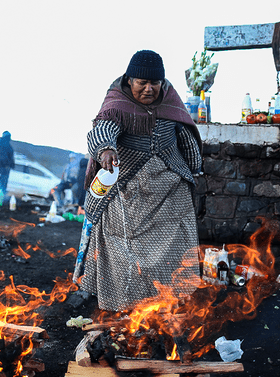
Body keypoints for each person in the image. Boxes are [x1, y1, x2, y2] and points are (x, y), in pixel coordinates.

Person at [74, 50, 203, 312]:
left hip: (168, 187)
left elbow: (187, 139)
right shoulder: (117, 104)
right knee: (121, 244)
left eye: (154, 83)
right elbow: (102, 129)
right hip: (128, 187)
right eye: (141, 82)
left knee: (175, 243)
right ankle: (124, 303)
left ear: (162, 83)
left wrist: (197, 172)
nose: (148, 89)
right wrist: (106, 150)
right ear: (129, 81)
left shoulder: (170, 103)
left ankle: (170, 299)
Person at [0, 131, 15, 196]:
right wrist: (8, 165)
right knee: (2, 184)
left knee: (2, 183)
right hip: (4, 167)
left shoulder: (1, 144)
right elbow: (4, 157)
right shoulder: (4, 145)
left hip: (3, 166)